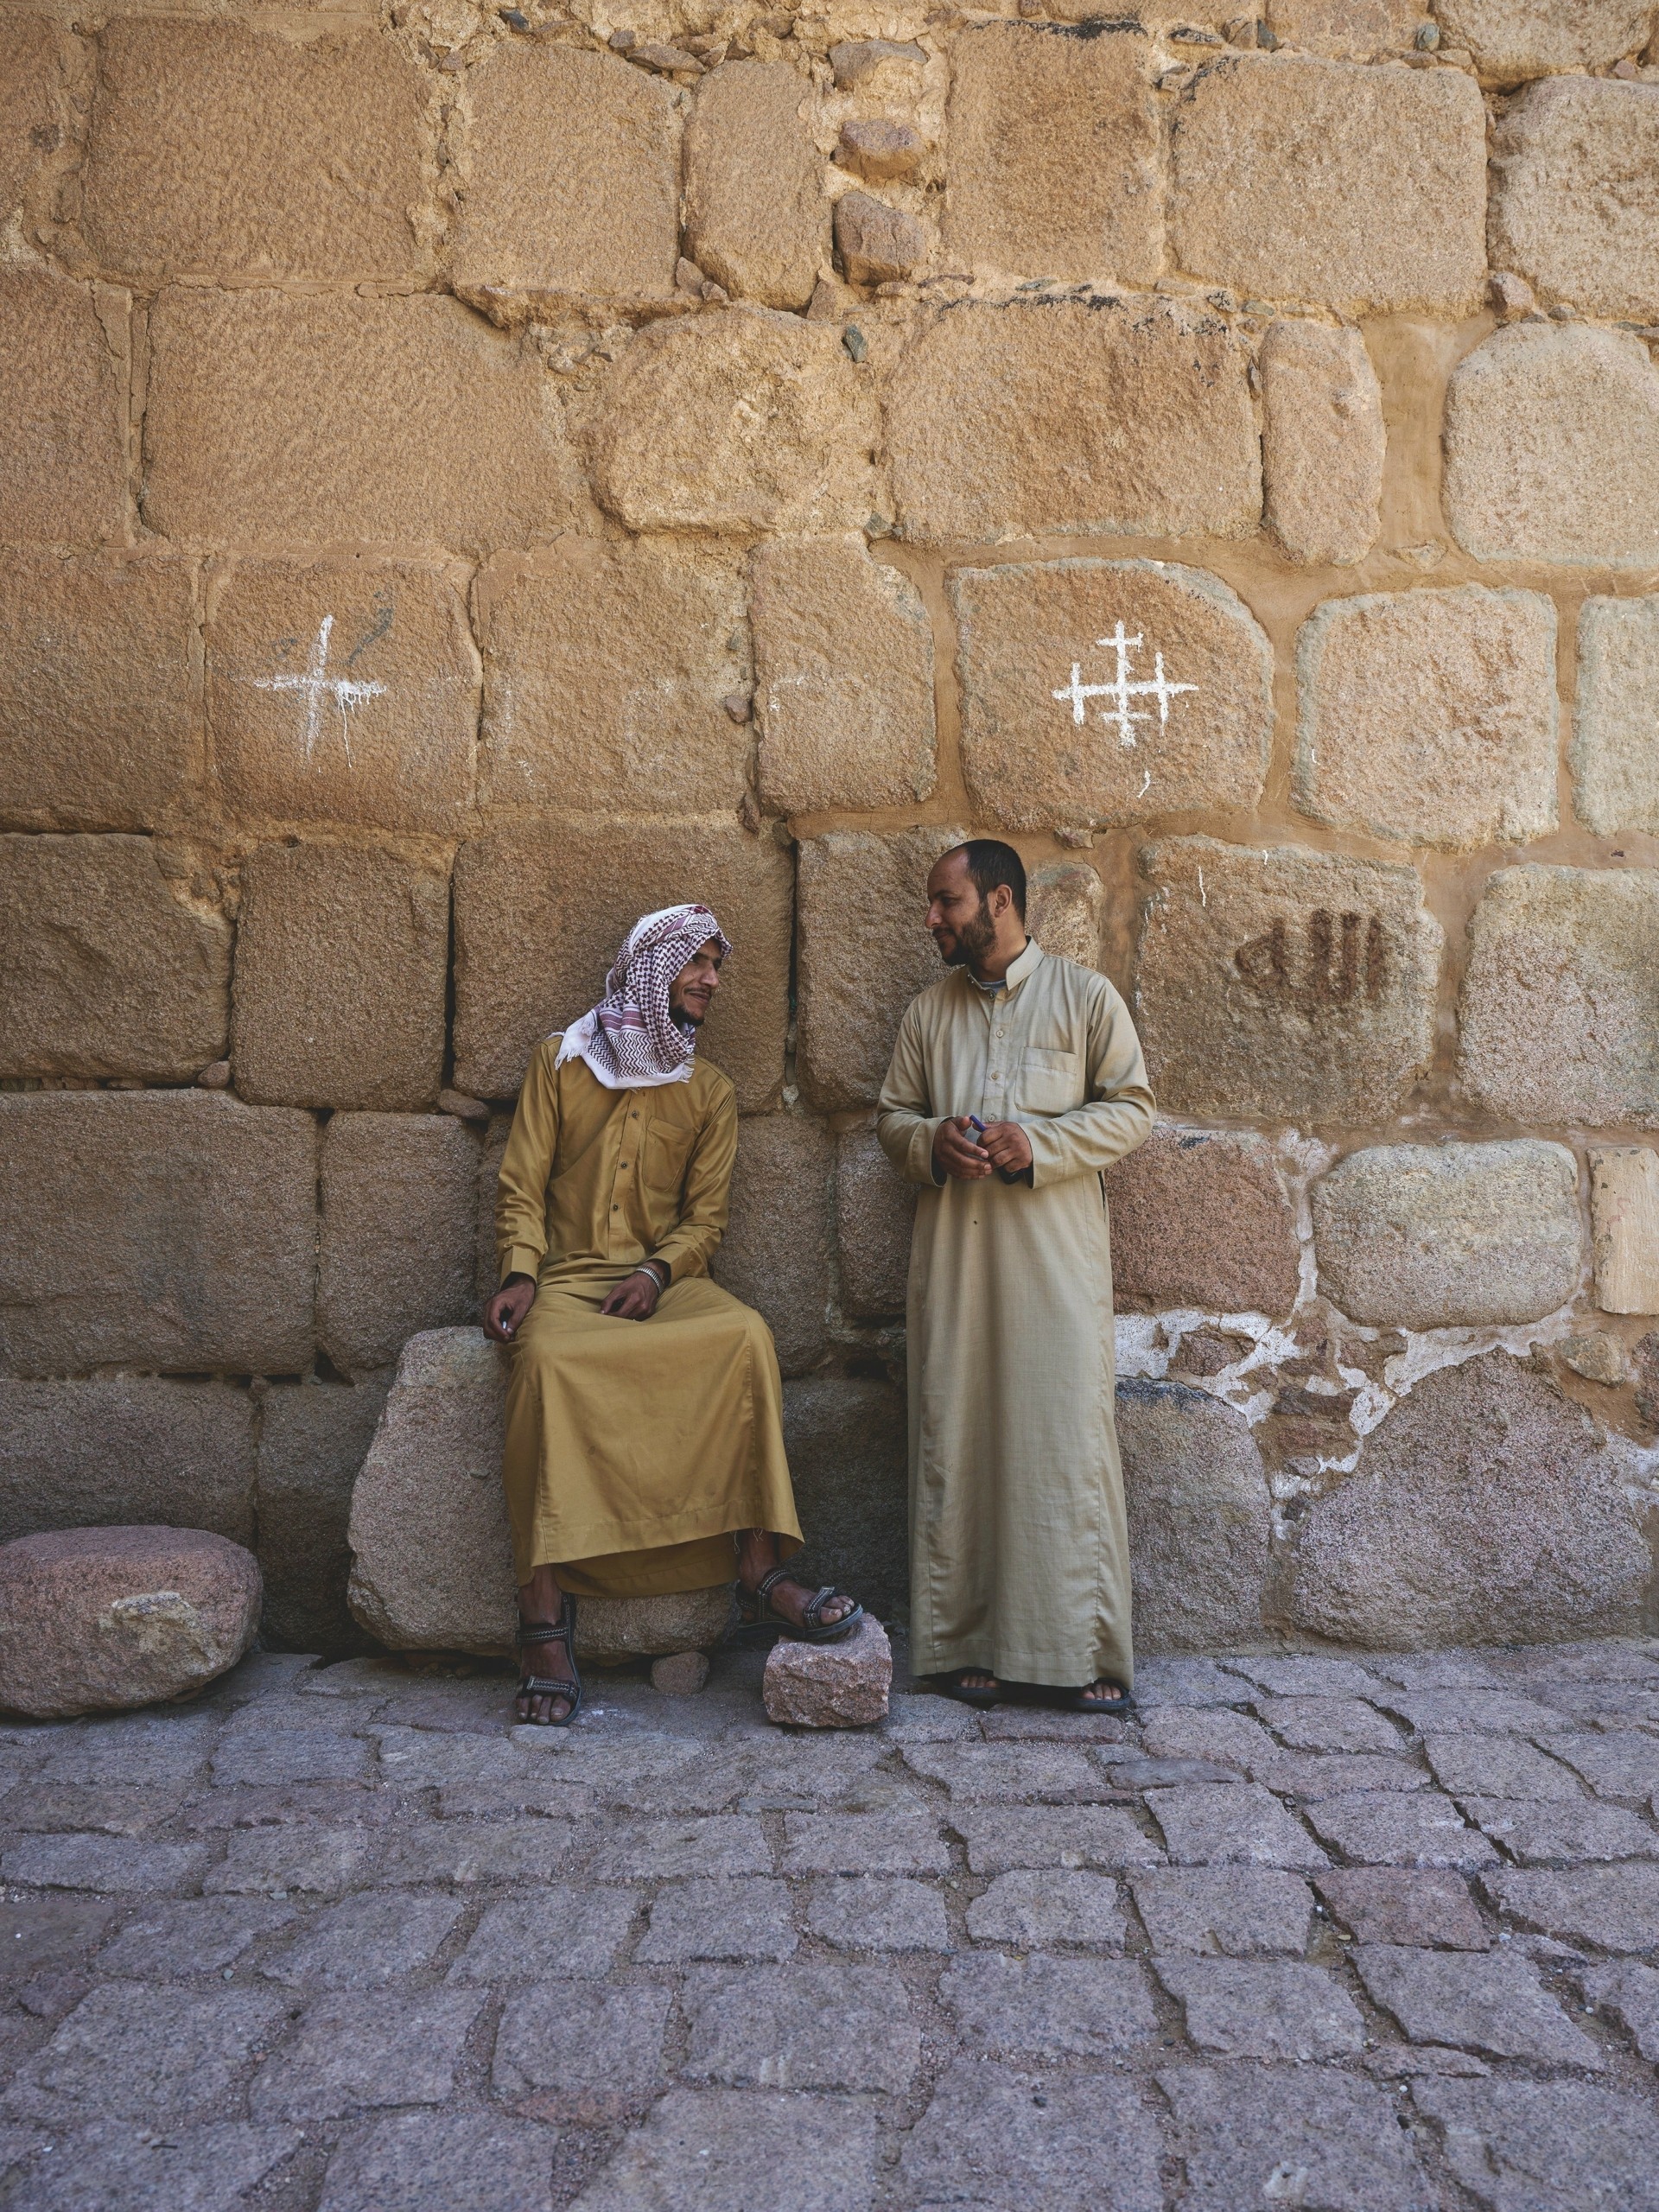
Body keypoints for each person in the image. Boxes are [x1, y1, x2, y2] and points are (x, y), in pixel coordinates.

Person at [485, 902, 861, 1724]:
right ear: (650, 969)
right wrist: (518, 1275)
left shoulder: (710, 1092)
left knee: (745, 1338)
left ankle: (760, 1570)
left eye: (716, 967)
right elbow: (521, 1185)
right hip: (566, 1280)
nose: (712, 982)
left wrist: (658, 1274)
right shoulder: (560, 1063)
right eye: (698, 964)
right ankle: (542, 1617)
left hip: (665, 1283)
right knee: (544, 1365)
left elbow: (705, 1222)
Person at [875, 842, 1154, 1713]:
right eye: (932, 903)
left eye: (946, 902)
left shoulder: (1085, 999)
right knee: (960, 1440)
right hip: (957, 1267)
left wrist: (1042, 1142)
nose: (933, 919)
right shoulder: (928, 1014)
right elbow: (892, 1119)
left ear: (999, 901)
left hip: (1056, 1269)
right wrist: (930, 1144)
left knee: (1063, 1447)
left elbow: (1132, 1109)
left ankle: (1084, 1653)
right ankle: (968, 1647)